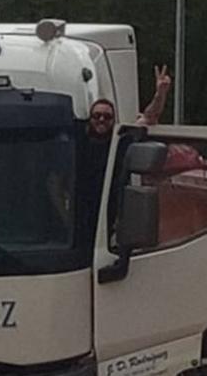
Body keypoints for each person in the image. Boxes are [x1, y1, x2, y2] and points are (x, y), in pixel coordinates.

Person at [72, 65, 173, 251]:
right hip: (77, 213)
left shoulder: (121, 141)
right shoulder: (77, 141)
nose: (101, 120)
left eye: (107, 117)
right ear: (89, 118)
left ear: (114, 120)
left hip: (111, 212)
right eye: (97, 116)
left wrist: (160, 93)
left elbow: (150, 117)